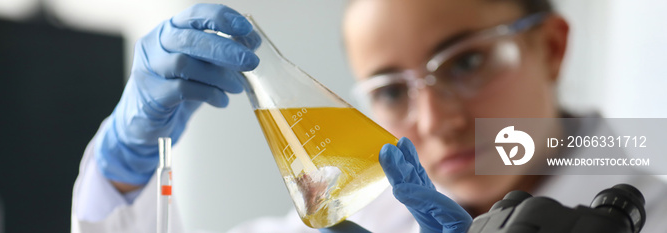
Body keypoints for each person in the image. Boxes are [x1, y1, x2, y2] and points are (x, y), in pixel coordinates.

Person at [71, 1, 667, 233]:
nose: (434, 121)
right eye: (389, 90)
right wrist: (128, 162)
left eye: (467, 63)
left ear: (552, 47)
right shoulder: (354, 219)